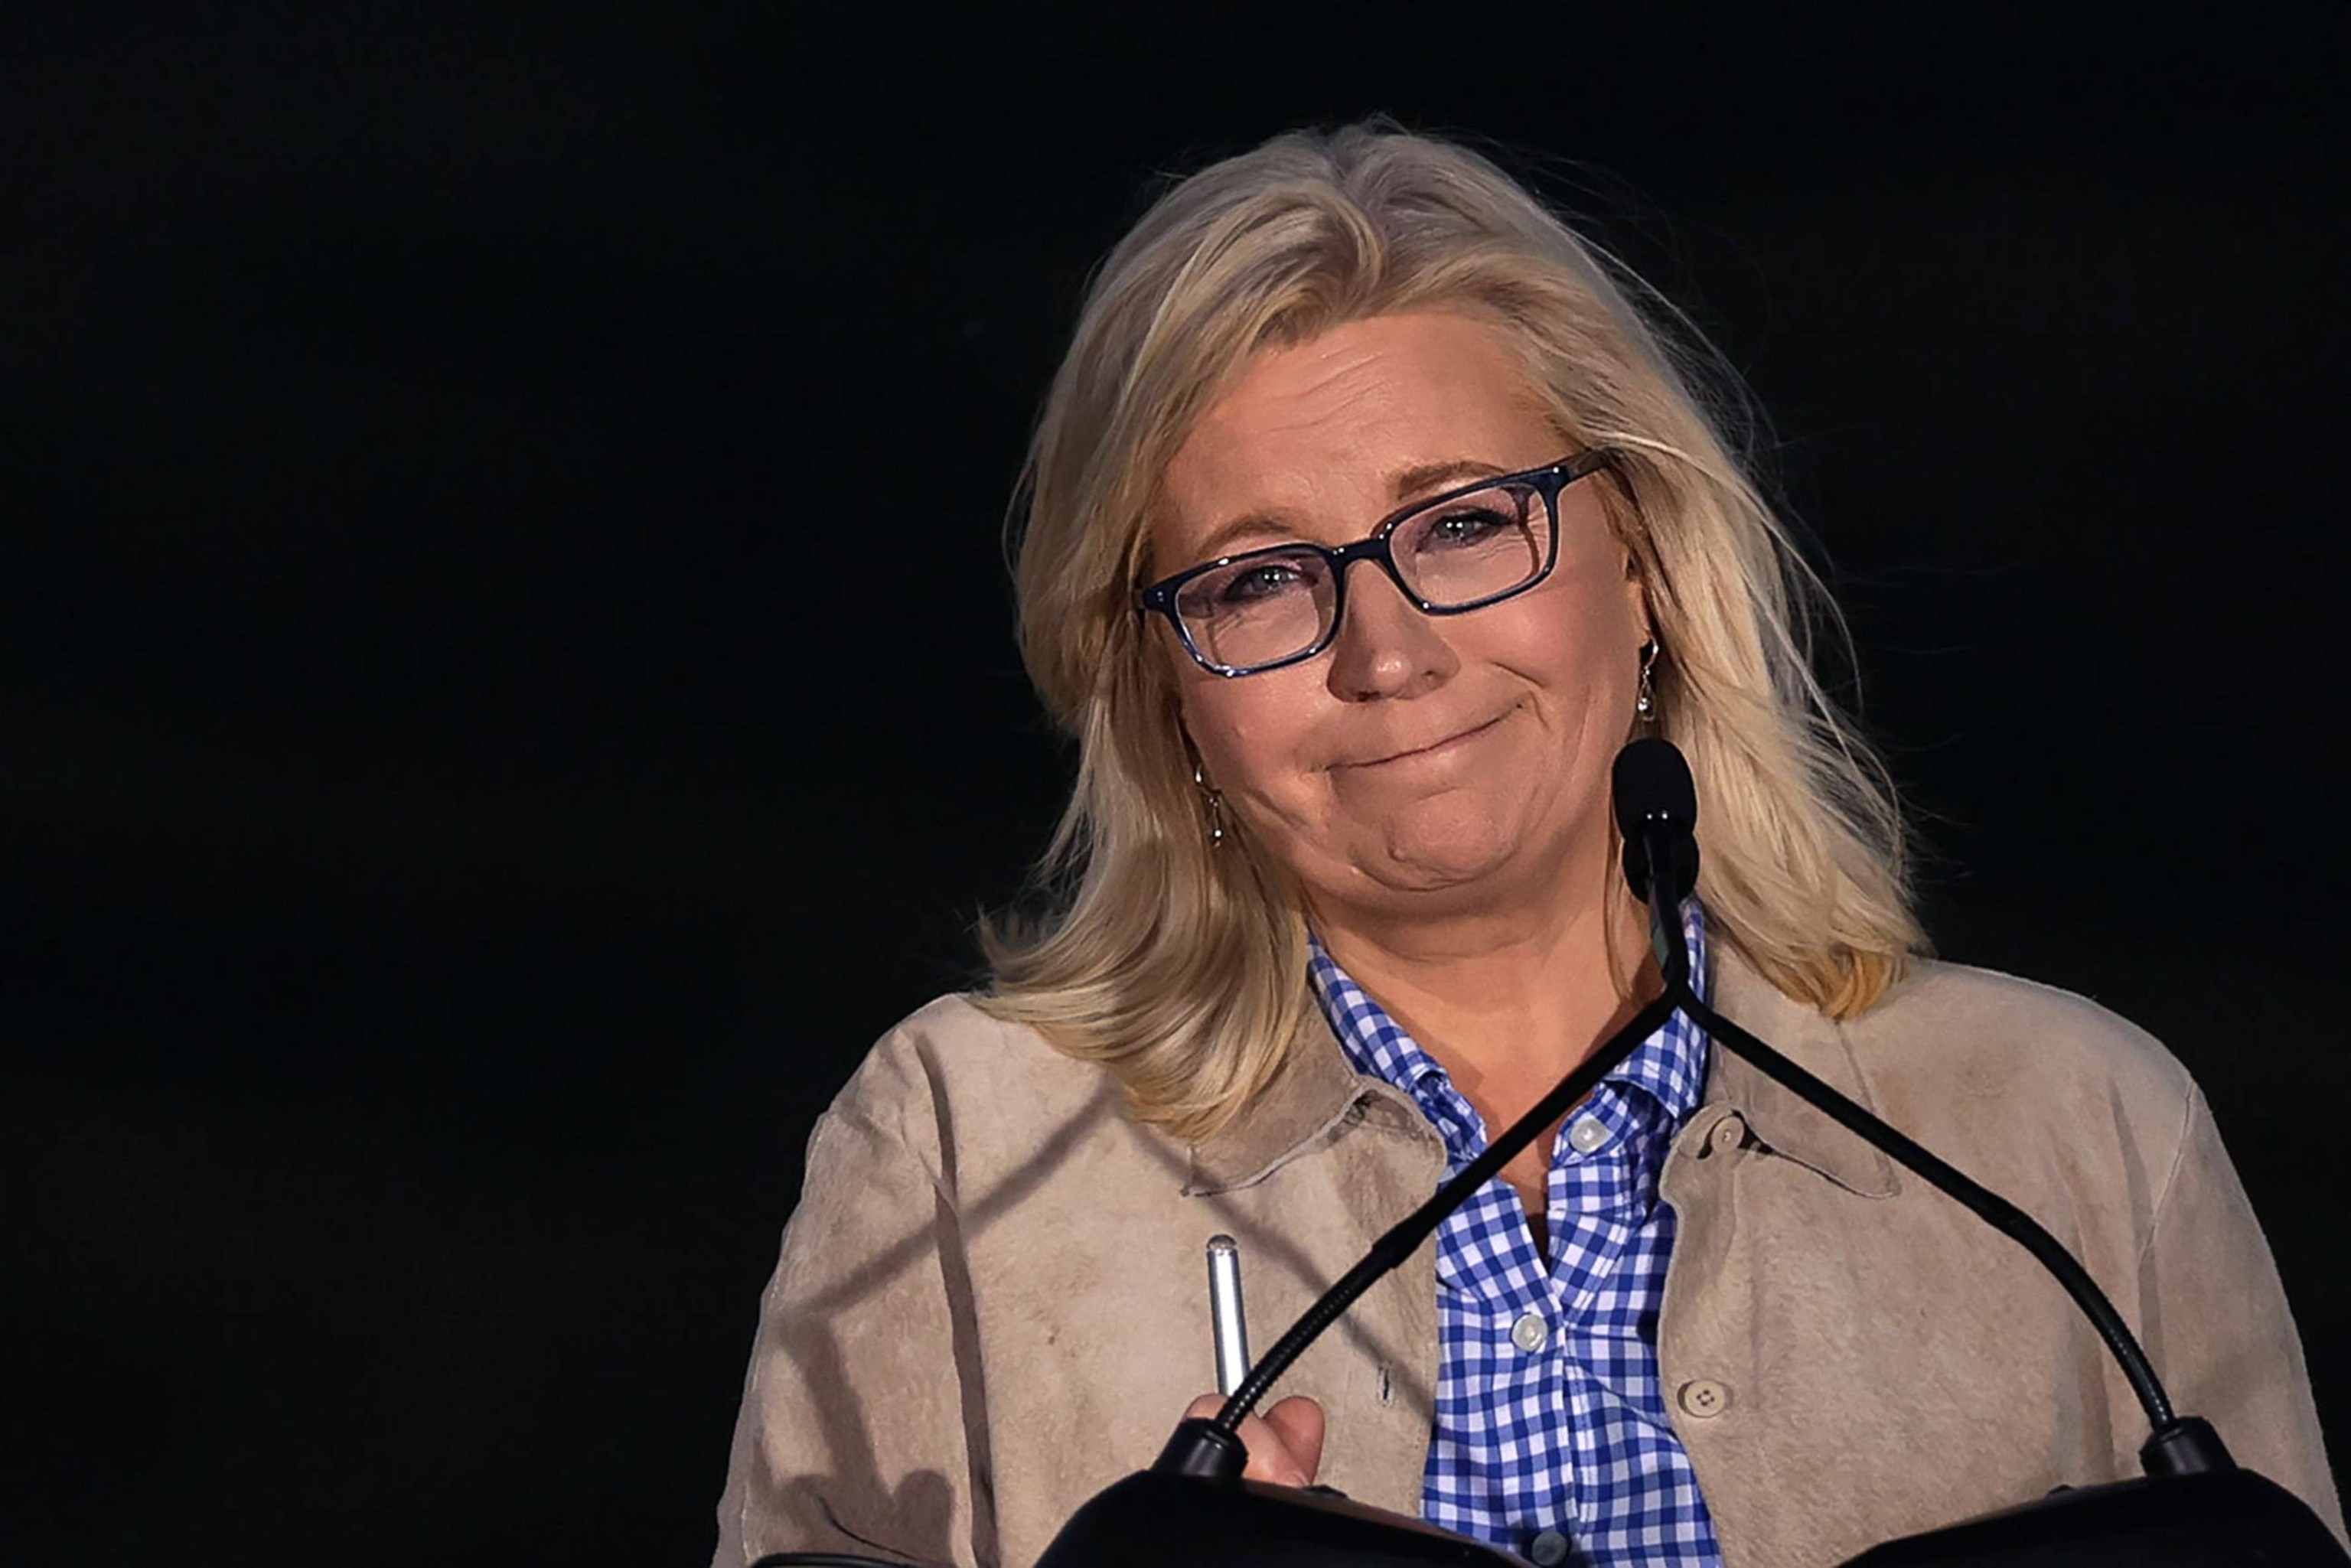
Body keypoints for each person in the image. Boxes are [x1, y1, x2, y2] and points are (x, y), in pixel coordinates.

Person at [710, 124, 2340, 1568]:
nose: (1389, 649)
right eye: (1260, 578)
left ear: (1643, 564)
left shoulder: (2075, 1127)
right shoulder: (959, 1145)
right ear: (1160, 688)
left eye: (1466, 524)